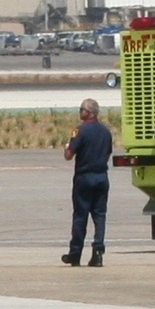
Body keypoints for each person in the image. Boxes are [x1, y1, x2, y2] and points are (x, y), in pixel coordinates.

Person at [62, 97, 113, 267]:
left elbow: (69, 156)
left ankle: (75, 253)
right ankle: (98, 251)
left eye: (81, 109)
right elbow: (107, 154)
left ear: (89, 112)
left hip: (84, 177)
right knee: (99, 215)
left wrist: (66, 147)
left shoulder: (80, 131)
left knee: (80, 216)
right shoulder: (106, 132)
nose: (80, 112)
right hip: (101, 177)